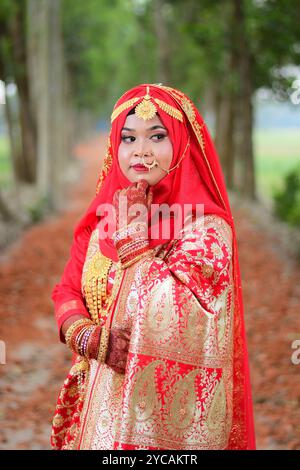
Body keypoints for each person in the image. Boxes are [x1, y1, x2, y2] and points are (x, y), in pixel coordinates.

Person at [50, 83, 256, 450]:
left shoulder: (207, 230)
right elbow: (66, 291)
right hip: (95, 413)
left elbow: (179, 316)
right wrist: (87, 337)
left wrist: (133, 237)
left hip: (165, 428)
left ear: (182, 144)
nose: (140, 152)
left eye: (157, 136)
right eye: (128, 139)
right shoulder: (103, 222)